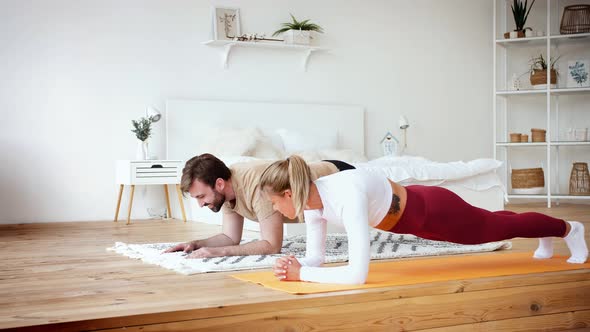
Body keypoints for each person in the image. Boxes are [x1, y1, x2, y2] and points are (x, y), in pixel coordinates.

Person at [260, 155, 589, 285]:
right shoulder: (314, 203)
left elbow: (357, 275)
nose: (274, 210)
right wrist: (298, 265)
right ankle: (546, 233)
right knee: (497, 221)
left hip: (435, 212)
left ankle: (568, 228)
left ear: (290, 193)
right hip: (418, 219)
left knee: (496, 228)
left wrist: (304, 276)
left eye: (274, 202)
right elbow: (316, 258)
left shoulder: (346, 195)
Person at [162, 153, 355, 258]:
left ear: (219, 183)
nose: (201, 204)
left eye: (201, 196)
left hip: (340, 175)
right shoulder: (226, 192)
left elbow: (272, 246)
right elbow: (230, 237)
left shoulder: (259, 185)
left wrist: (218, 252)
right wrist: (197, 245)